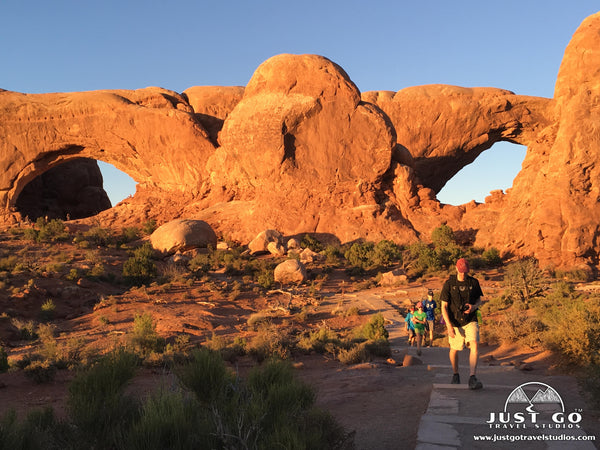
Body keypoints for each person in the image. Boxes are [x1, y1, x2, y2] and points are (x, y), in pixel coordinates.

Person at [440, 258, 484, 390]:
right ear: (456, 268)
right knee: (454, 349)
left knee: (474, 344)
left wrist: (474, 307)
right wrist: (448, 326)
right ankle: (455, 373)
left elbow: (479, 300)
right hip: (454, 322)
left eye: (465, 271)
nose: (463, 274)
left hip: (470, 319)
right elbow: (443, 307)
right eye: (461, 271)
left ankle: (472, 377)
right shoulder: (449, 284)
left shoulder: (474, 282)